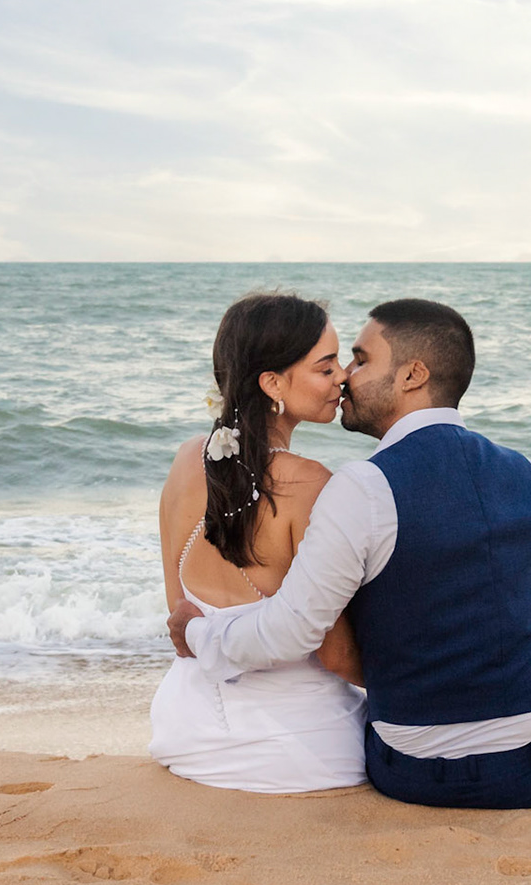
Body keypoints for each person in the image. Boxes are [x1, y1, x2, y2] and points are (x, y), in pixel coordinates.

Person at [169, 299, 531, 822]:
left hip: (406, 765)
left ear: (413, 375)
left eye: (357, 360)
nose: (346, 378)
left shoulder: (357, 487)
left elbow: (293, 628)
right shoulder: (527, 475)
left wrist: (197, 635)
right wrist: (481, 673)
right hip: (529, 757)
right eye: (331, 365)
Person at [148, 292, 367, 793]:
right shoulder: (311, 483)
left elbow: (180, 618)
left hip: (185, 731)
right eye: (325, 365)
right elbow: (336, 654)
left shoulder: (186, 460)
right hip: (300, 749)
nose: (343, 377)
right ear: (272, 383)